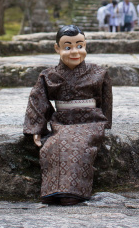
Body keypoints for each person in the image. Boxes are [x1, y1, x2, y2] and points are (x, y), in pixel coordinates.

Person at [23, 24, 112, 205]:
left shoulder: (99, 73)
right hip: (62, 122)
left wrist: (106, 124)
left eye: (80, 46)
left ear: (86, 46)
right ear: (57, 48)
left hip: (91, 121)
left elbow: (106, 101)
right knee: (52, 145)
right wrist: (36, 127)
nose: (74, 52)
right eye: (68, 47)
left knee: (79, 144)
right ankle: (53, 190)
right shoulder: (49, 76)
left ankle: (73, 192)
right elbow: (37, 99)